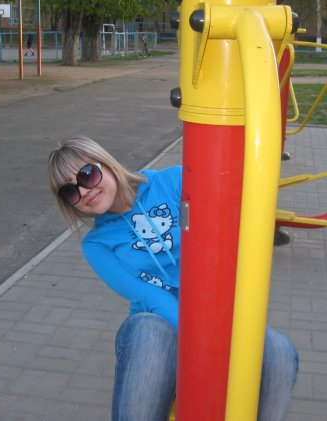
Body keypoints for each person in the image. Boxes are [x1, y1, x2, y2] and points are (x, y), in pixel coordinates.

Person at [48, 137, 298, 421]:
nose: (84, 191)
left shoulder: (174, 182)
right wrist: (203, 342)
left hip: (215, 314)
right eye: (70, 191)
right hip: (161, 327)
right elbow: (148, 296)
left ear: (105, 163)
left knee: (278, 351)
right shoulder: (97, 244)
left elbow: (222, 237)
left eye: (87, 174)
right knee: (146, 329)